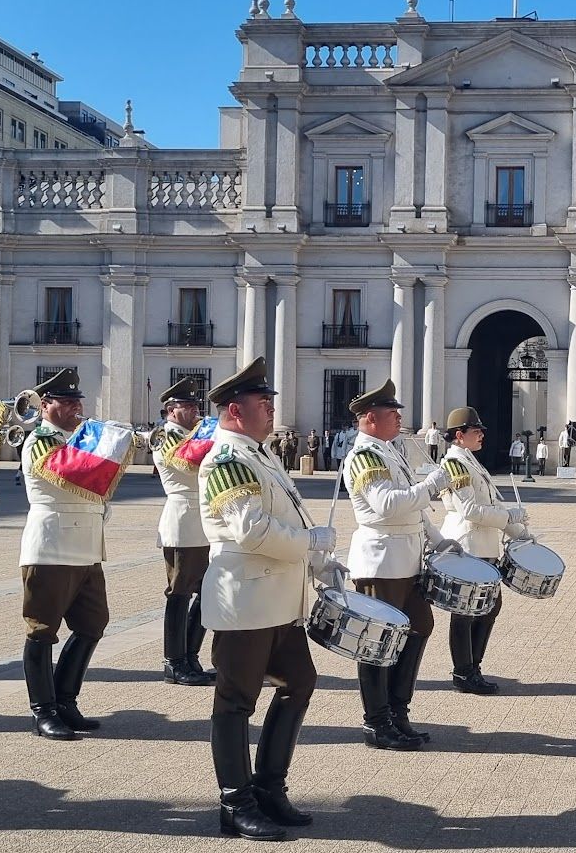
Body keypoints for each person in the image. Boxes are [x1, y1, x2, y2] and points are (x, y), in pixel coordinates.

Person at [198, 357, 333, 840]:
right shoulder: (227, 460)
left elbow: (287, 519)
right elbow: (251, 531)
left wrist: (319, 564)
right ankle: (235, 802)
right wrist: (312, 543)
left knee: (299, 681)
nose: (272, 409)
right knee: (235, 701)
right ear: (236, 409)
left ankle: (270, 788)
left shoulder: (261, 454)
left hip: (279, 599)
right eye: (264, 402)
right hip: (246, 599)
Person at [342, 380, 456, 751]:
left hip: (406, 558)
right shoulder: (365, 457)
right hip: (381, 560)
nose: (400, 417)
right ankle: (377, 721)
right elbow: (389, 505)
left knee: (420, 626)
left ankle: (398, 711)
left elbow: (415, 511)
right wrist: (433, 484)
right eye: (393, 413)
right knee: (377, 642)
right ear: (370, 418)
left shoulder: (390, 452)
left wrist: (439, 542)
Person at [18, 369, 113, 741]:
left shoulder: (78, 440)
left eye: (78, 401)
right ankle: (43, 709)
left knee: (93, 624)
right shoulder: (41, 440)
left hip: (86, 548)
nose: (76, 407)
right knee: (42, 630)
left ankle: (65, 699)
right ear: (46, 405)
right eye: (67, 401)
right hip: (52, 547)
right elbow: (70, 472)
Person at [438, 407, 530, 696]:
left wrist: (520, 534)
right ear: (459, 435)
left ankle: (473, 667)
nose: (481, 435)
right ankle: (464, 671)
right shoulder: (455, 463)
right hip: (468, 544)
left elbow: (491, 505)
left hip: (484, 545)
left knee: (489, 608)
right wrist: (508, 518)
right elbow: (470, 510)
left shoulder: (471, 462)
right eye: (475, 431)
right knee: (465, 612)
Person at [153, 377, 216, 686]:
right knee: (178, 593)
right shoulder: (163, 436)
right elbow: (187, 462)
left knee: (207, 593)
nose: (194, 411)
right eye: (186, 406)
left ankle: (191, 656)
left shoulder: (195, 435)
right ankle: (174, 661)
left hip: (202, 522)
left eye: (195, 405)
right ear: (170, 409)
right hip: (182, 522)